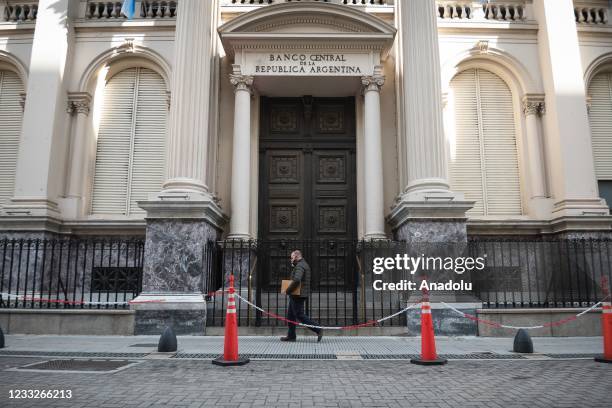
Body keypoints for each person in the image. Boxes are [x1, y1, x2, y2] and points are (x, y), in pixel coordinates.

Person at [280, 250, 323, 342]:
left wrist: (287, 290)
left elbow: (296, 280)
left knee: (300, 315)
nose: (291, 260)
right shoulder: (302, 264)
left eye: (292, 258)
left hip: (298, 295)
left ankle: (318, 329)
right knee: (291, 315)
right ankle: (291, 336)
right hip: (297, 294)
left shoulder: (300, 265)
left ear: (296, 256)